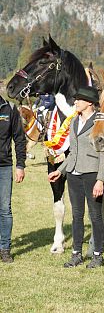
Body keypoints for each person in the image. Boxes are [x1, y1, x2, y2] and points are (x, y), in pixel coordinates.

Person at [48, 86, 104, 269]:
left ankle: (97, 255)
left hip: (92, 175)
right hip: (74, 174)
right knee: (77, 215)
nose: (75, 102)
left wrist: (100, 180)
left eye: (79, 99)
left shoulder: (99, 123)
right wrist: (61, 171)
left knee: (95, 216)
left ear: (89, 102)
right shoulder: (74, 122)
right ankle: (76, 254)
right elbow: (73, 152)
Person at [0, 94, 26, 263]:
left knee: (4, 209)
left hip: (4, 166)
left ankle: (5, 249)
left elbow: (19, 138)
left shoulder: (9, 108)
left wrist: (20, 165)